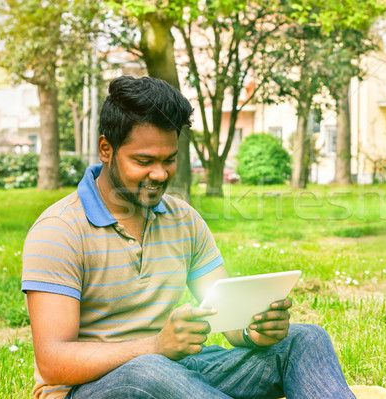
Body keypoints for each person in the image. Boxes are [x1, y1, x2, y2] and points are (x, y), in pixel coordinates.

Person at [21, 75, 356, 399]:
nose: (159, 174)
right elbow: (53, 362)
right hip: (90, 388)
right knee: (150, 370)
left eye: (169, 160)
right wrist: (154, 346)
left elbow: (230, 323)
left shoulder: (184, 220)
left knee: (306, 339)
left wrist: (255, 331)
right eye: (144, 161)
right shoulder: (59, 231)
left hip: (177, 371)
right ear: (106, 149)